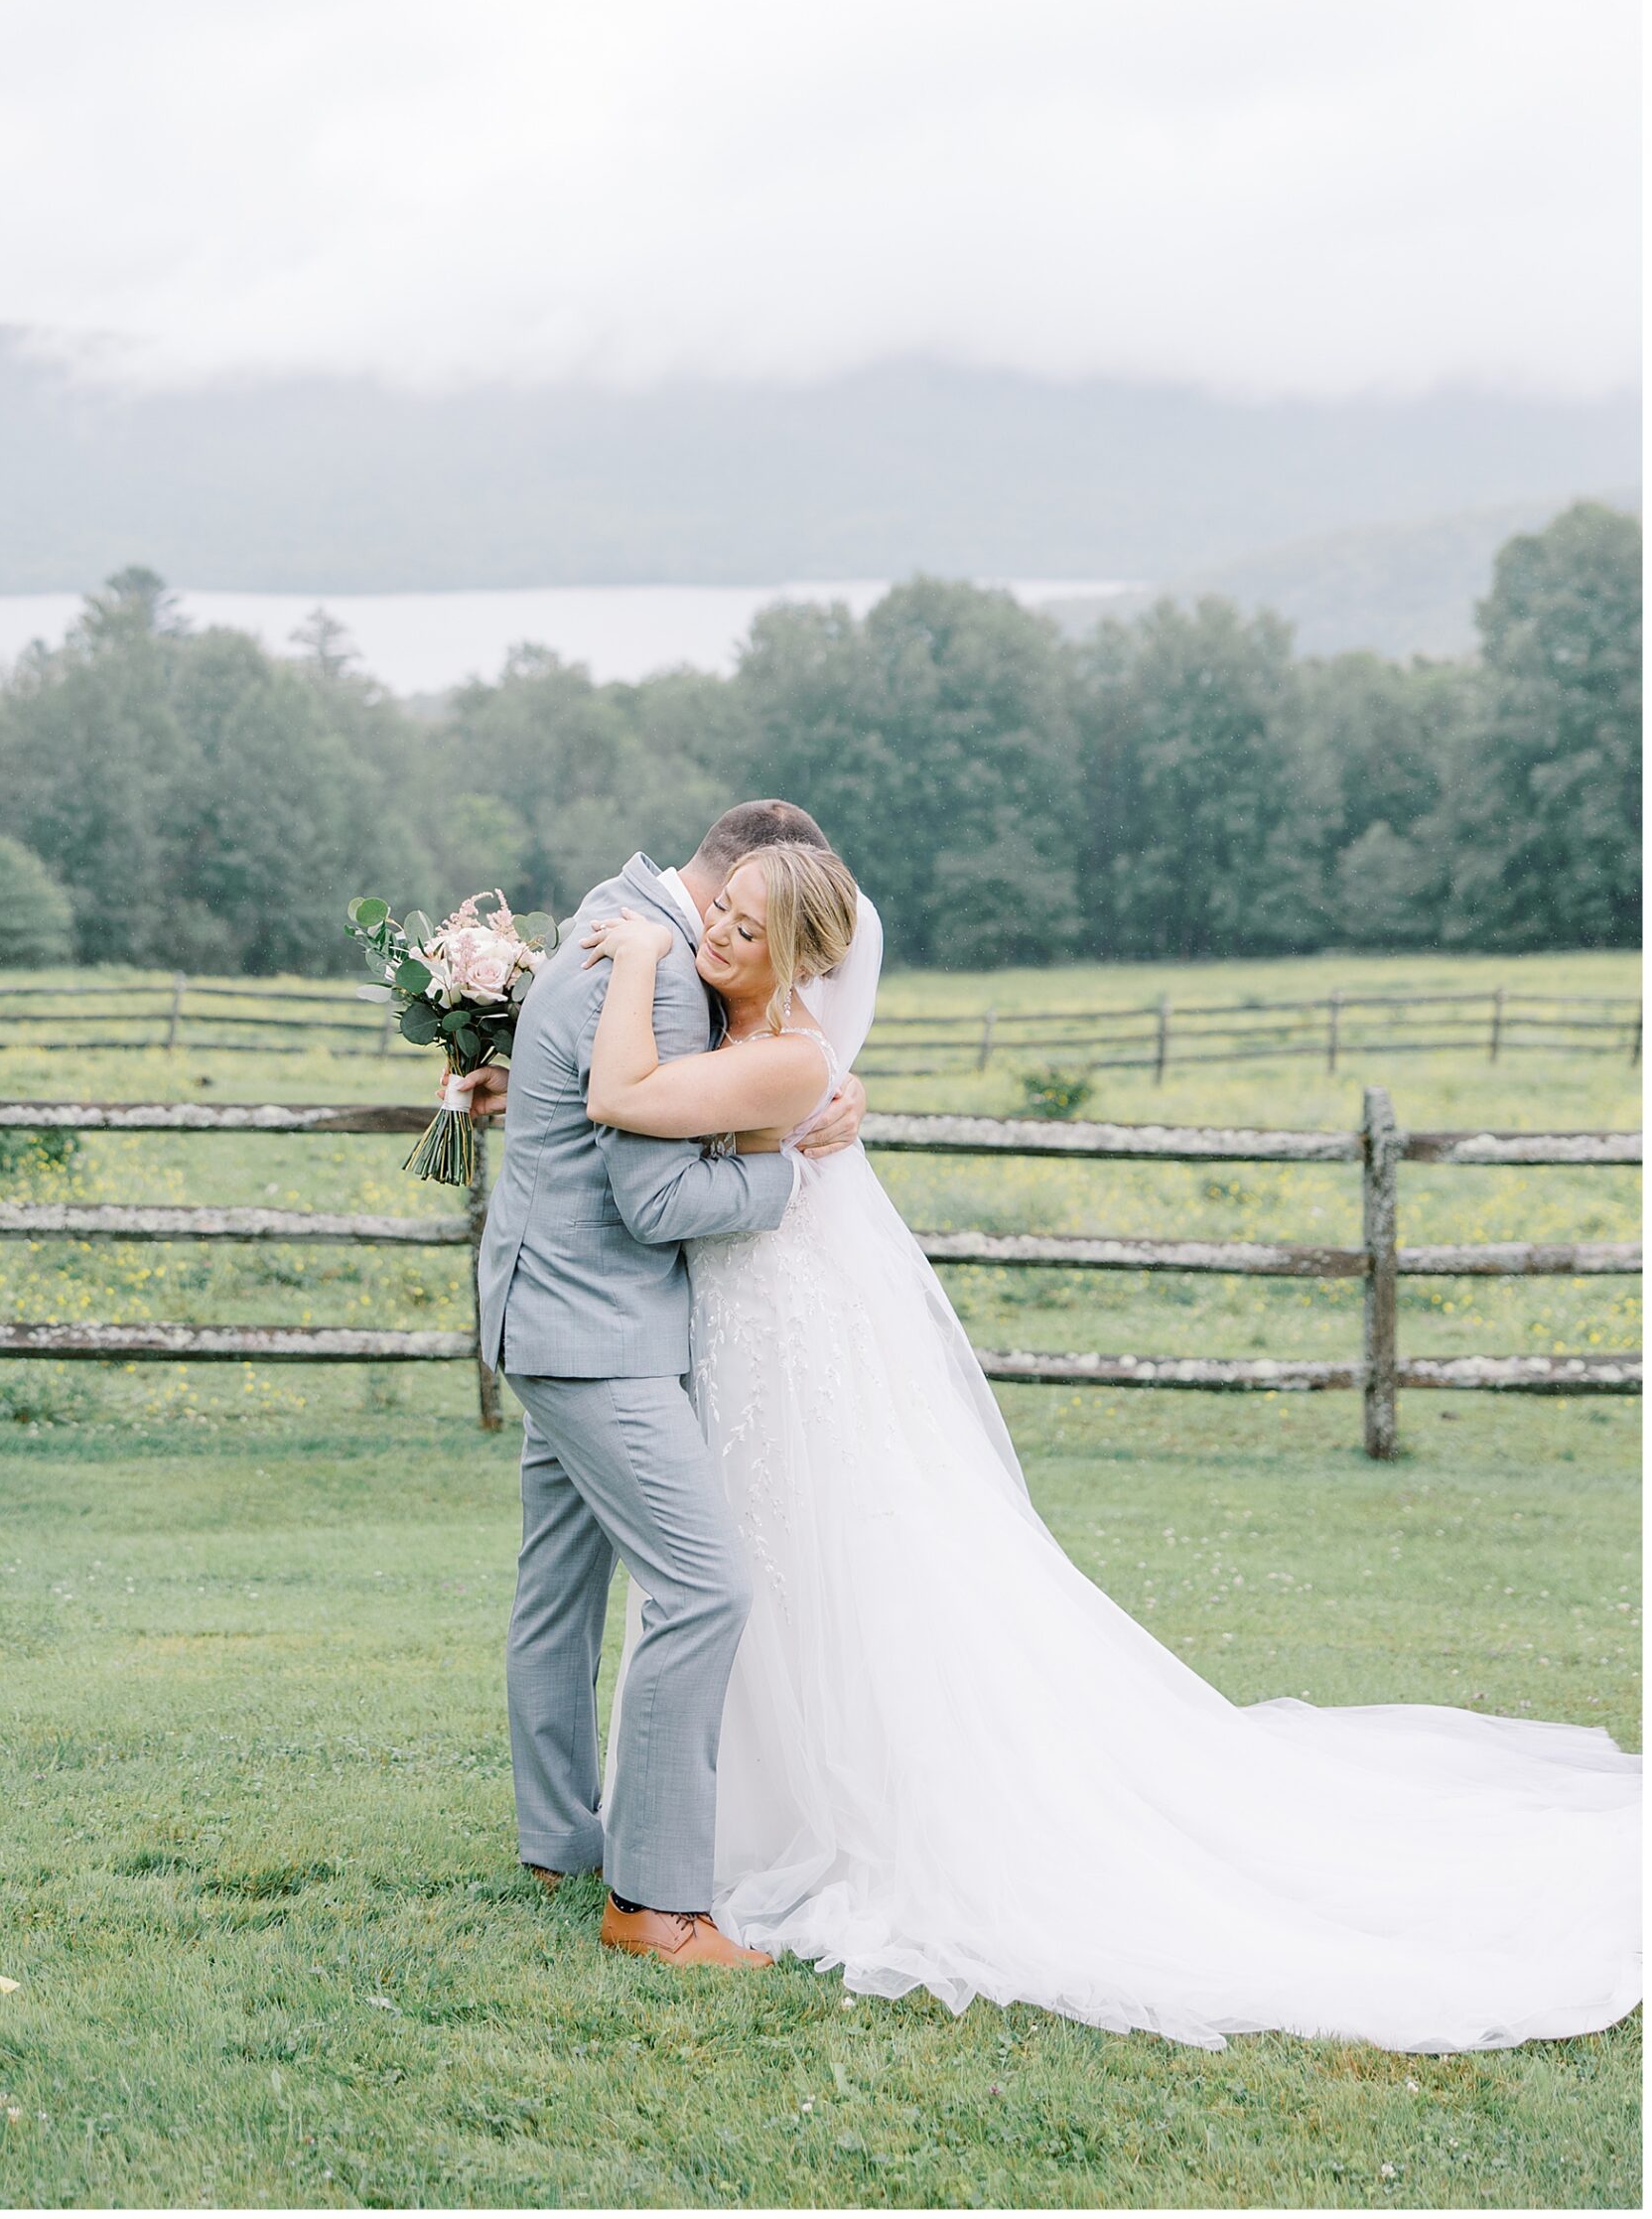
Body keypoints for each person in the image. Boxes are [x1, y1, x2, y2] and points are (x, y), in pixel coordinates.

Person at [579, 841, 1642, 2052]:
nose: (717, 936)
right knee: (758, 1569)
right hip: (751, 1342)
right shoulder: (766, 1046)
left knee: (814, 1566)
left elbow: (623, 1099)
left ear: (805, 957)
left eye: (748, 931)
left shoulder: (785, 1058)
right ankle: (718, 1822)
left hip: (782, 1344)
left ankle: (811, 1820)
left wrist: (642, 958)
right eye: (718, 915)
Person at [462, 803, 867, 1970]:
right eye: (738, 913)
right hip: (600, 1330)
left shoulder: (617, 916)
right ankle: (652, 1901)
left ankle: (560, 1840)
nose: (730, 936)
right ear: (736, 882)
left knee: (559, 1586)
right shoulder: (661, 976)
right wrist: (787, 1176)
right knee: (705, 1589)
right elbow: (651, 1201)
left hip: (551, 1306)